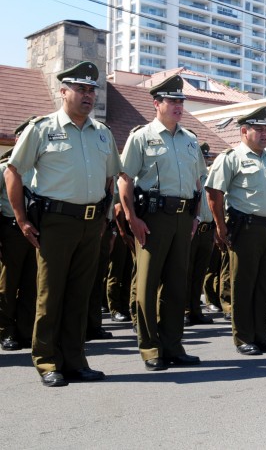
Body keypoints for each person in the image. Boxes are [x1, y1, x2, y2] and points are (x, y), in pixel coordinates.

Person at [5, 61, 121, 386]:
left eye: (91, 89)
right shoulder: (42, 128)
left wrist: (103, 219)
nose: (88, 95)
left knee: (80, 295)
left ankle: (74, 360)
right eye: (81, 89)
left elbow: (110, 178)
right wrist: (21, 218)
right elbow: (13, 170)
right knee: (50, 294)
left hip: (89, 223)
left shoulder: (103, 134)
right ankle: (46, 362)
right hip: (54, 222)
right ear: (63, 91)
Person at [118, 74, 204, 371]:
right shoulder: (141, 137)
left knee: (177, 284)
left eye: (181, 101)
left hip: (183, 218)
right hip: (152, 218)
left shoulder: (190, 139)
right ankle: (150, 347)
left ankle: (173, 345)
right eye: (173, 100)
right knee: (148, 283)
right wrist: (132, 218)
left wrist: (195, 216)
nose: (179, 105)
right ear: (157, 103)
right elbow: (125, 180)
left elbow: (197, 182)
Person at [206, 106, 266, 355]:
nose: (265, 134)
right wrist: (221, 226)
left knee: (265, 285)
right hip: (247, 229)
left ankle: (262, 336)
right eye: (259, 130)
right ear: (244, 131)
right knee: (243, 285)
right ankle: (243, 337)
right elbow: (214, 193)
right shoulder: (231, 157)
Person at [0, 119, 37, 352]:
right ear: (17, 140)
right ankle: (5, 331)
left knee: (31, 285)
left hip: (36, 232)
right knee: (7, 283)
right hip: (11, 229)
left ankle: (25, 331)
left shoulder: (40, 167)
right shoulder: (4, 169)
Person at [185, 142, 214, 326]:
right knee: (186, 273)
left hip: (207, 230)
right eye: (202, 158)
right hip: (192, 230)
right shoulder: (190, 176)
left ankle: (196, 309)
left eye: (206, 158)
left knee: (199, 273)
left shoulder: (210, 178)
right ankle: (185, 310)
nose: (204, 161)